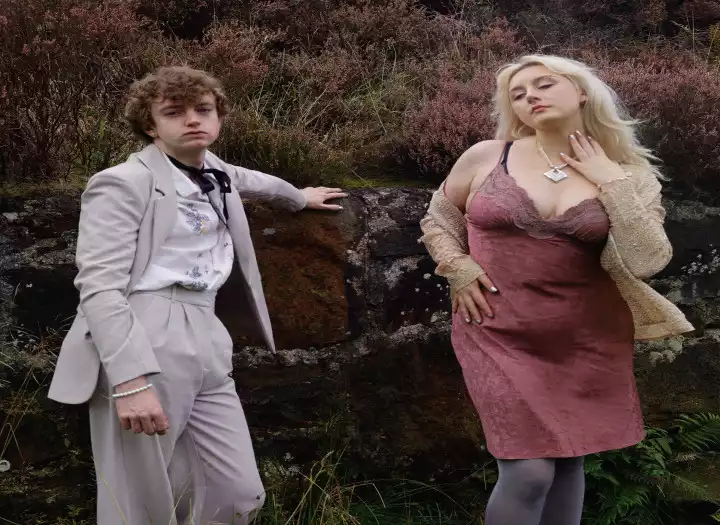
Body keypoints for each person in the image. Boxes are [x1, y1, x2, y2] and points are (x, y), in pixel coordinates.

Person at [47, 66, 347, 525]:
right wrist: (130, 381)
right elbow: (99, 287)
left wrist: (298, 198)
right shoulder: (122, 182)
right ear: (151, 125)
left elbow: (257, 181)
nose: (192, 120)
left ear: (218, 116)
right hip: (144, 331)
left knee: (236, 493)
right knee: (140, 498)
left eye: (203, 109)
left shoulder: (215, 171)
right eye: (174, 112)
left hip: (207, 329)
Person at [419, 54, 693, 525]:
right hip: (496, 331)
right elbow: (439, 218)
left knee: (569, 460)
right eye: (518, 94)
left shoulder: (630, 176)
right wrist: (458, 266)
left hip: (585, 338)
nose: (530, 97)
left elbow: (649, 259)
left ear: (582, 92)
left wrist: (611, 181)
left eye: (543, 85)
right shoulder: (488, 156)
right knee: (528, 472)